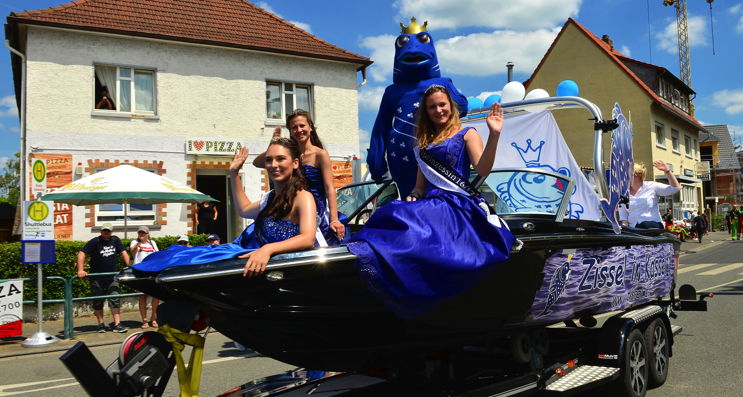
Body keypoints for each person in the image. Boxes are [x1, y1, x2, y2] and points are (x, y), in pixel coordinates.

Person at [347, 85, 514, 318]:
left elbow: (483, 168)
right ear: (426, 111)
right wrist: (412, 197)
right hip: (433, 202)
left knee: (406, 220)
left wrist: (494, 135)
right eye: (432, 107)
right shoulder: (423, 145)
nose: (438, 110)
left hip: (457, 204)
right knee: (394, 210)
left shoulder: (467, 134)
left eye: (442, 104)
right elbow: (419, 187)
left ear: (451, 106)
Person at [132, 137, 317, 277]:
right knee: (187, 256)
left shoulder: (303, 197)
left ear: (294, 163)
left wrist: (267, 249)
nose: (273, 165)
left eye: (280, 159)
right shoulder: (269, 198)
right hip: (260, 267)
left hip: (287, 272)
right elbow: (243, 210)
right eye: (269, 160)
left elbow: (307, 238)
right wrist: (234, 173)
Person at [264, 109, 345, 246]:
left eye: (302, 125)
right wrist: (274, 144)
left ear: (310, 127)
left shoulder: (320, 154)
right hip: (290, 206)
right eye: (294, 127)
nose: (299, 130)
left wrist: (334, 219)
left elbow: (329, 188)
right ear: (290, 131)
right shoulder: (289, 153)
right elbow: (258, 162)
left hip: (315, 209)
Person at [77, 225, 130, 332]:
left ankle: (117, 324)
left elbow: (124, 252)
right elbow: (82, 253)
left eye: (108, 231)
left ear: (111, 231)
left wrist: (129, 267)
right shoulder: (95, 241)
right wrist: (80, 269)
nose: (106, 232)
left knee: (115, 298)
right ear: (101, 231)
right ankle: (101, 324)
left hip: (112, 276)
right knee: (98, 300)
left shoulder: (115, 240)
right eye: (104, 230)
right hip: (97, 277)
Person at [618, 161, 681, 229]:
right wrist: (624, 229)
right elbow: (623, 217)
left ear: (640, 175)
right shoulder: (623, 193)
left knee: (644, 225)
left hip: (653, 227)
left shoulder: (652, 186)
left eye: (630, 175)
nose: (627, 178)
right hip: (634, 230)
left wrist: (667, 171)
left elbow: (675, 188)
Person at [130, 226, 159, 328]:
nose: (141, 235)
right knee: (142, 297)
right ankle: (144, 320)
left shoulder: (153, 243)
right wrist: (138, 243)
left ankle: (154, 319)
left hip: (152, 271)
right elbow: (132, 252)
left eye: (143, 233)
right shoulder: (134, 242)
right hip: (140, 272)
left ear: (147, 234)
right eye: (140, 233)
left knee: (156, 296)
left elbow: (157, 255)